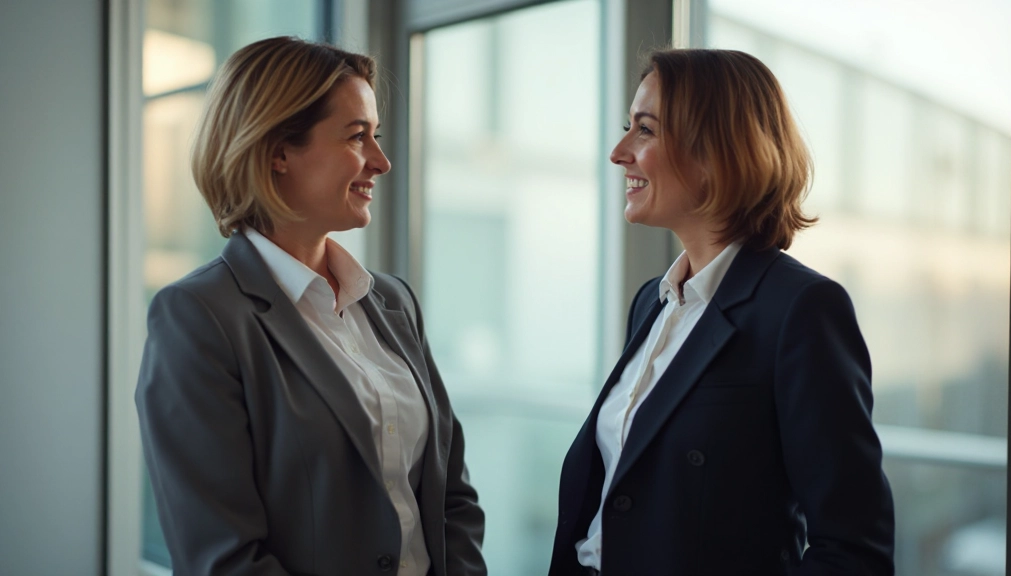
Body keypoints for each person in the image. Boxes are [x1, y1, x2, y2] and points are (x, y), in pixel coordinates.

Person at [136, 36, 485, 576]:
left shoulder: (393, 302)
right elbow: (223, 557)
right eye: (357, 136)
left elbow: (451, 499)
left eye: (376, 136)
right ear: (277, 151)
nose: (382, 161)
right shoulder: (198, 317)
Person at [549, 48, 894, 576]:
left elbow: (852, 550)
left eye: (646, 130)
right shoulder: (652, 302)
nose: (619, 152)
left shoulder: (801, 310)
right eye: (628, 128)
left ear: (716, 152)